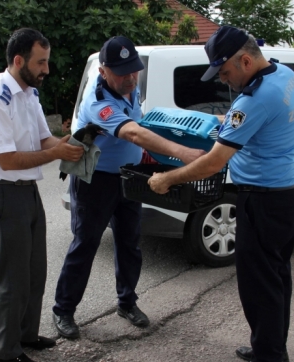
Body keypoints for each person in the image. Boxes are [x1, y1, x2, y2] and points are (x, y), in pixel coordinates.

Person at [148, 26, 294, 362]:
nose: (224, 80)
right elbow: (262, 124)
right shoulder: (285, 75)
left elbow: (214, 162)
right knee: (277, 277)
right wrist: (228, 123)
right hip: (289, 196)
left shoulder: (254, 100)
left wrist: (167, 179)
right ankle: (272, 346)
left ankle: (268, 360)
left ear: (246, 61)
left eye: (225, 72)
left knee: (258, 283)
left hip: (264, 202)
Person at [52, 36, 205, 339]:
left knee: (129, 242)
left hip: (127, 177)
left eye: (134, 70)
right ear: (103, 71)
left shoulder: (129, 91)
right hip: (94, 181)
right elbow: (133, 132)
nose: (131, 77)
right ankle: (63, 310)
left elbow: (142, 123)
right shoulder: (98, 101)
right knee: (85, 245)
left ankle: (127, 302)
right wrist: (182, 153)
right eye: (122, 72)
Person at [0, 28, 84, 362]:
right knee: (14, 278)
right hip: (4, 194)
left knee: (35, 271)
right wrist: (56, 154)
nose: (46, 69)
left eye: (46, 61)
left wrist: (72, 142)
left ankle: (27, 335)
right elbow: (7, 160)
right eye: (41, 62)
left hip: (27, 193)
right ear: (19, 60)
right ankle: (6, 351)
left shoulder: (28, 93)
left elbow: (43, 139)